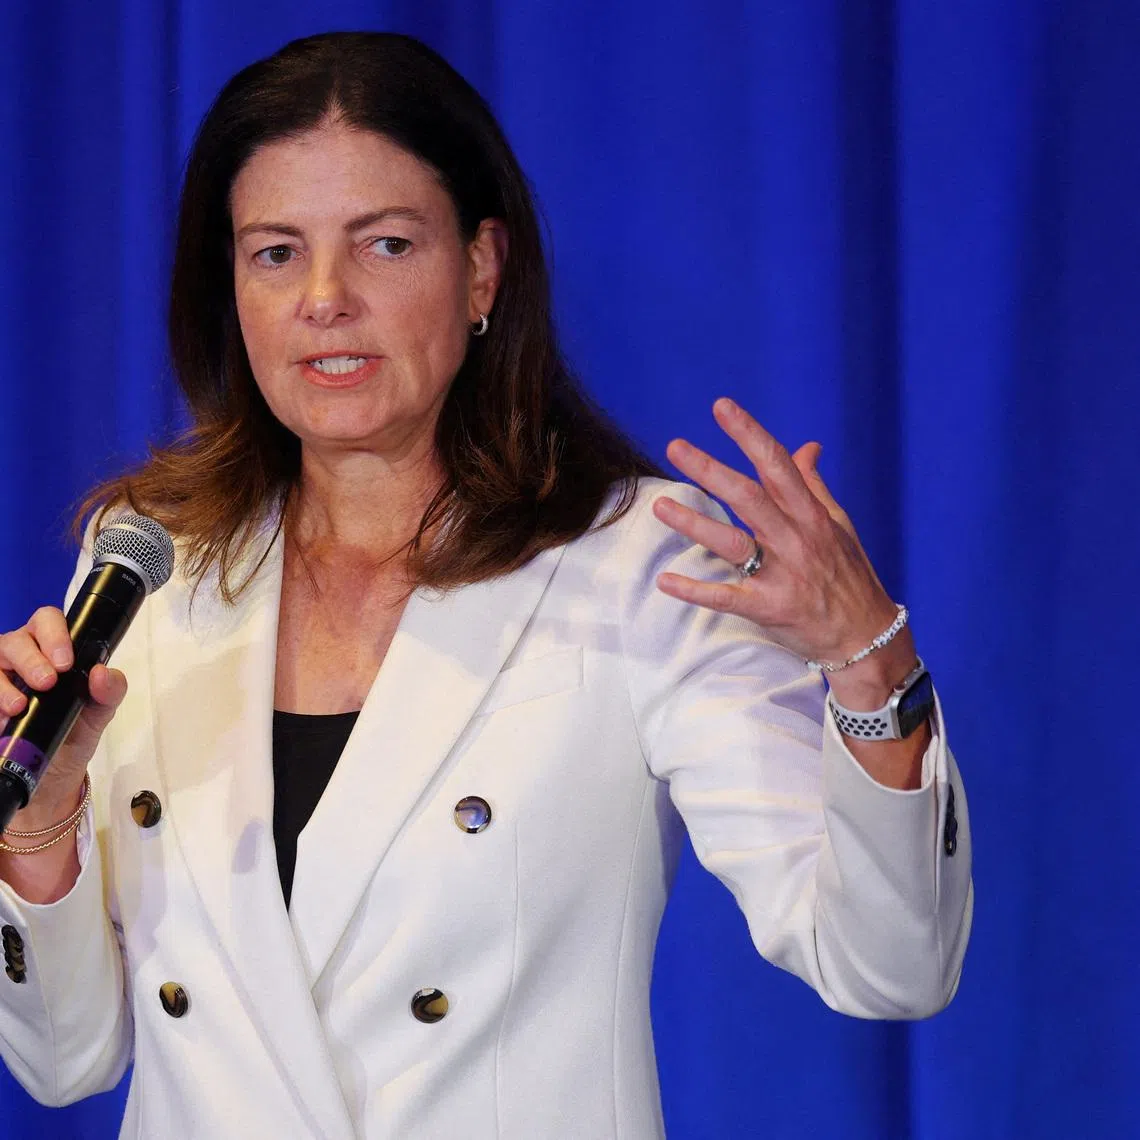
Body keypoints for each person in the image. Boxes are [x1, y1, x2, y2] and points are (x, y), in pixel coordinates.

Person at [0, 31, 971, 1140]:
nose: (324, 298)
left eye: (386, 245)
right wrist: (43, 825)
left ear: (481, 270)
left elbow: (890, 964)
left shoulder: (639, 564)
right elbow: (66, 1059)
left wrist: (868, 661)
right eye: (276, 252)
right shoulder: (151, 564)